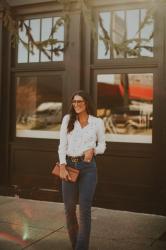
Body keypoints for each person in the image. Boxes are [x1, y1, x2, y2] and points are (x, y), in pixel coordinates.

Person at [58, 90, 106, 250]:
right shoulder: (67, 119)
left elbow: (103, 146)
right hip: (69, 167)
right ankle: (75, 245)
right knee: (69, 209)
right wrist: (63, 166)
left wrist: (93, 150)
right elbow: (62, 145)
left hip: (88, 169)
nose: (76, 105)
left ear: (86, 103)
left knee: (84, 209)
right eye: (74, 102)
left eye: (80, 101)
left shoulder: (97, 122)